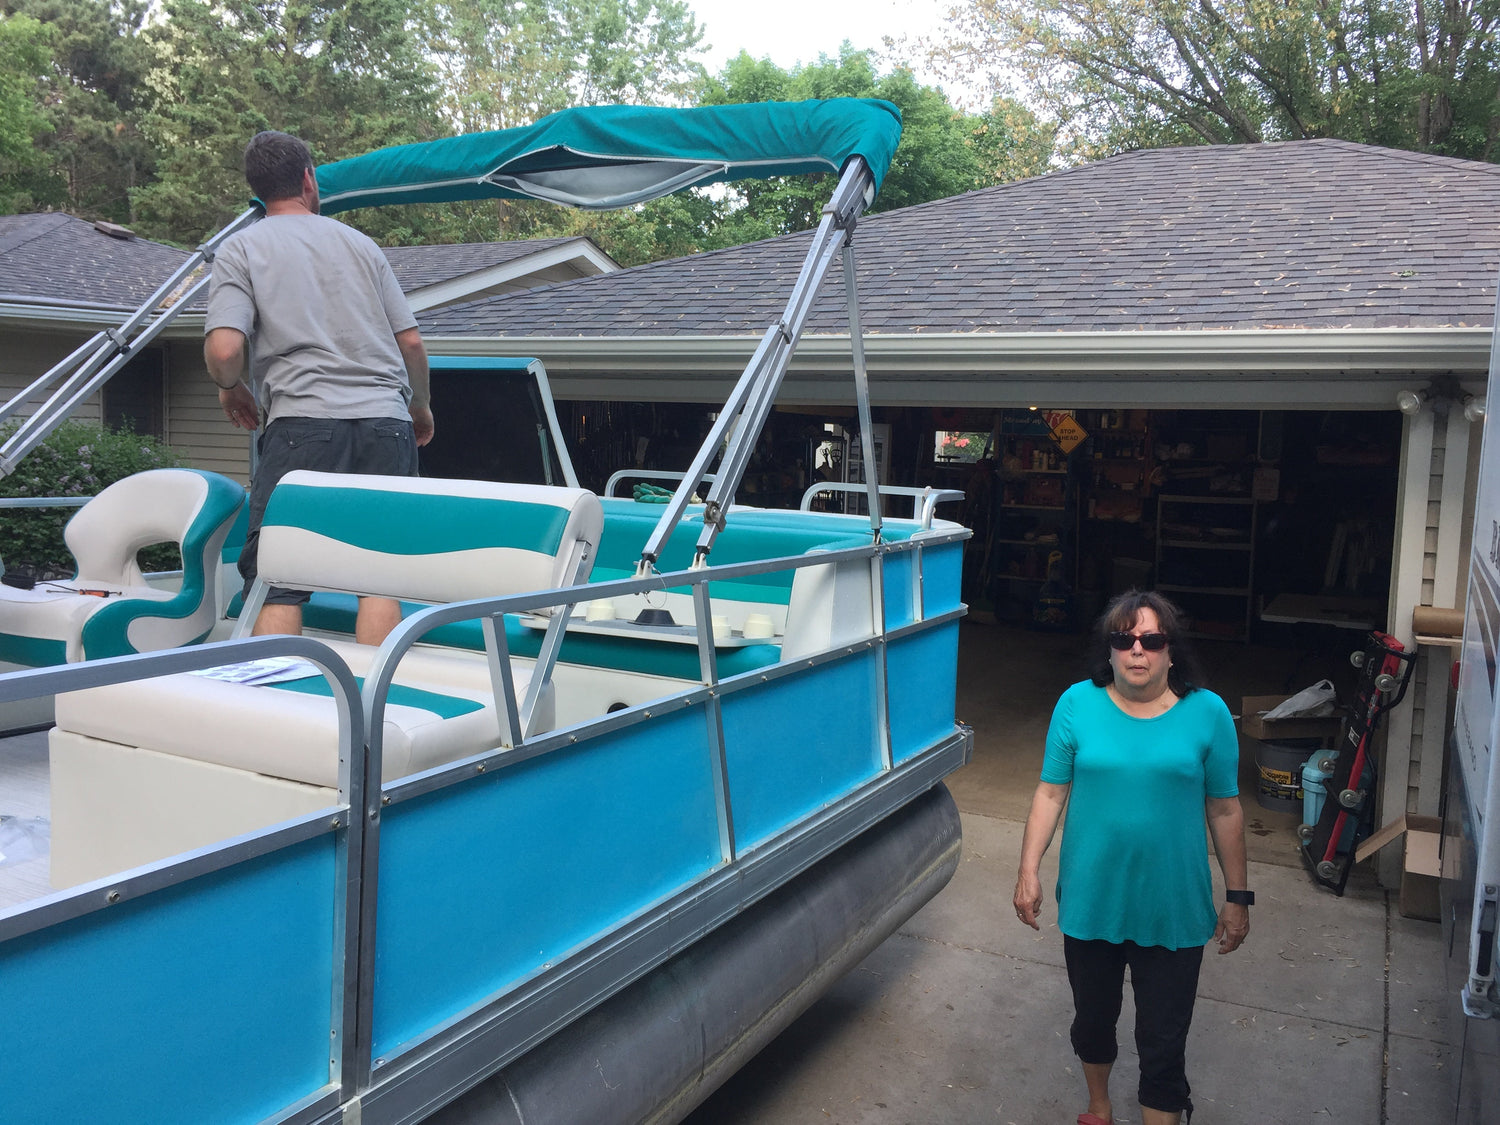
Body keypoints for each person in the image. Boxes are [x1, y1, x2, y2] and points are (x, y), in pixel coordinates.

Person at [1013, 590, 1249, 1125]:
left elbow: (1226, 811)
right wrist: (1028, 871)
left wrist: (1237, 897)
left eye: (1151, 639)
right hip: (1093, 898)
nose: (1136, 650)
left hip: (1174, 906)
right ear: (1110, 649)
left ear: (1171, 651)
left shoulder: (1208, 713)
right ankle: (1099, 1106)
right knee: (1093, 1021)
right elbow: (1051, 794)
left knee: (1163, 1040)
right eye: (1124, 639)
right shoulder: (1076, 704)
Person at [203, 130, 434, 645]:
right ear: (309, 178)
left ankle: (280, 710)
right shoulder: (360, 245)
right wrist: (419, 406)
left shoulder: (242, 248)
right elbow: (412, 343)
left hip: (303, 427)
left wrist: (230, 387)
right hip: (387, 425)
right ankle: (376, 712)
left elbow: (223, 351)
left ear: (258, 190)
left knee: (279, 580)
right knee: (379, 578)